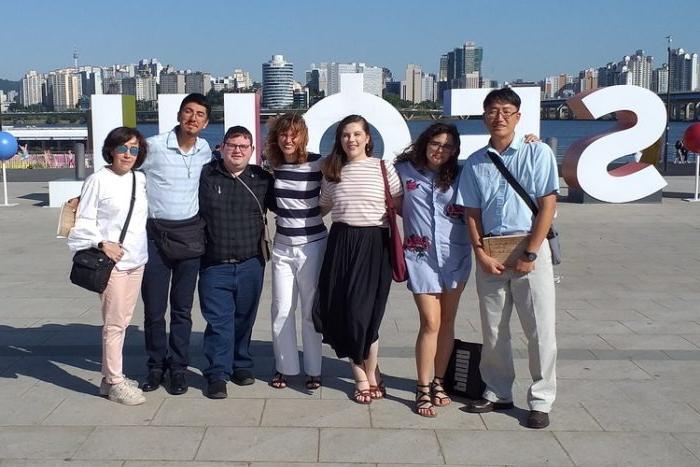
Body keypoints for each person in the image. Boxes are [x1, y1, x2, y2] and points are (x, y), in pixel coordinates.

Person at [457, 87, 559, 429]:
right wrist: (480, 254)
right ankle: (498, 391)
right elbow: (471, 212)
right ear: (484, 116)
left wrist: (531, 251)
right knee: (494, 329)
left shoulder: (537, 152)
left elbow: (547, 205)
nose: (498, 117)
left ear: (517, 116)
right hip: (492, 252)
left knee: (539, 329)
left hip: (530, 247)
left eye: (506, 111)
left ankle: (541, 400)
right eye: (492, 111)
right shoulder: (475, 162)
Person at [314, 114, 402, 404]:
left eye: (356, 134)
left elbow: (402, 205)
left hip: (375, 244)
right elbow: (322, 208)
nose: (351, 139)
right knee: (348, 313)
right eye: (345, 135)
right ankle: (362, 376)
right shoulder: (333, 172)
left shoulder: (383, 168)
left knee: (368, 314)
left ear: (367, 138)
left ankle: (372, 370)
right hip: (342, 243)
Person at [67, 127, 149, 405]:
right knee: (114, 324)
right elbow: (82, 223)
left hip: (138, 260)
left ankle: (108, 378)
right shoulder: (97, 180)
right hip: (112, 263)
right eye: (123, 148)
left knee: (123, 321)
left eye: (134, 149)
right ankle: (115, 381)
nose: (128, 154)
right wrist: (103, 243)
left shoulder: (140, 179)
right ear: (111, 150)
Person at [395, 123, 471, 417]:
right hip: (420, 257)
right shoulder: (403, 171)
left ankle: (440, 381)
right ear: (424, 143)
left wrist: (529, 144)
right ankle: (423, 386)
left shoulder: (462, 175)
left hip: (456, 256)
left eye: (448, 146)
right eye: (435, 143)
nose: (440, 150)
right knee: (430, 322)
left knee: (447, 321)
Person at [140, 93, 212, 395]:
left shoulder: (205, 149)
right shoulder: (154, 146)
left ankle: (179, 366)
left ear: (206, 123)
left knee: (182, 309)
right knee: (154, 310)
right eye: (188, 112)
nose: (192, 118)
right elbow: (125, 174)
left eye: (199, 115)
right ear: (179, 114)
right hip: (156, 237)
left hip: (190, 238)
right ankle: (156, 364)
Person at [198, 125, 274, 399]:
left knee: (244, 318)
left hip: (251, 263)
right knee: (219, 322)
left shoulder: (262, 179)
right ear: (222, 147)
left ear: (253, 151)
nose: (238, 150)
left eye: (244, 146)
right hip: (214, 263)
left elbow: (289, 204)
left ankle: (240, 363)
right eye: (233, 145)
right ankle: (217, 373)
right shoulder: (206, 175)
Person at [265, 113, 326, 390]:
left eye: (294, 134)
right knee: (281, 309)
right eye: (283, 134)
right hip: (282, 247)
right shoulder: (272, 165)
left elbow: (331, 197)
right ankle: (285, 367)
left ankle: (314, 369)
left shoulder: (318, 163)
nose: (288, 139)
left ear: (302, 136)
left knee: (310, 311)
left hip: (312, 246)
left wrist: (312, 216)